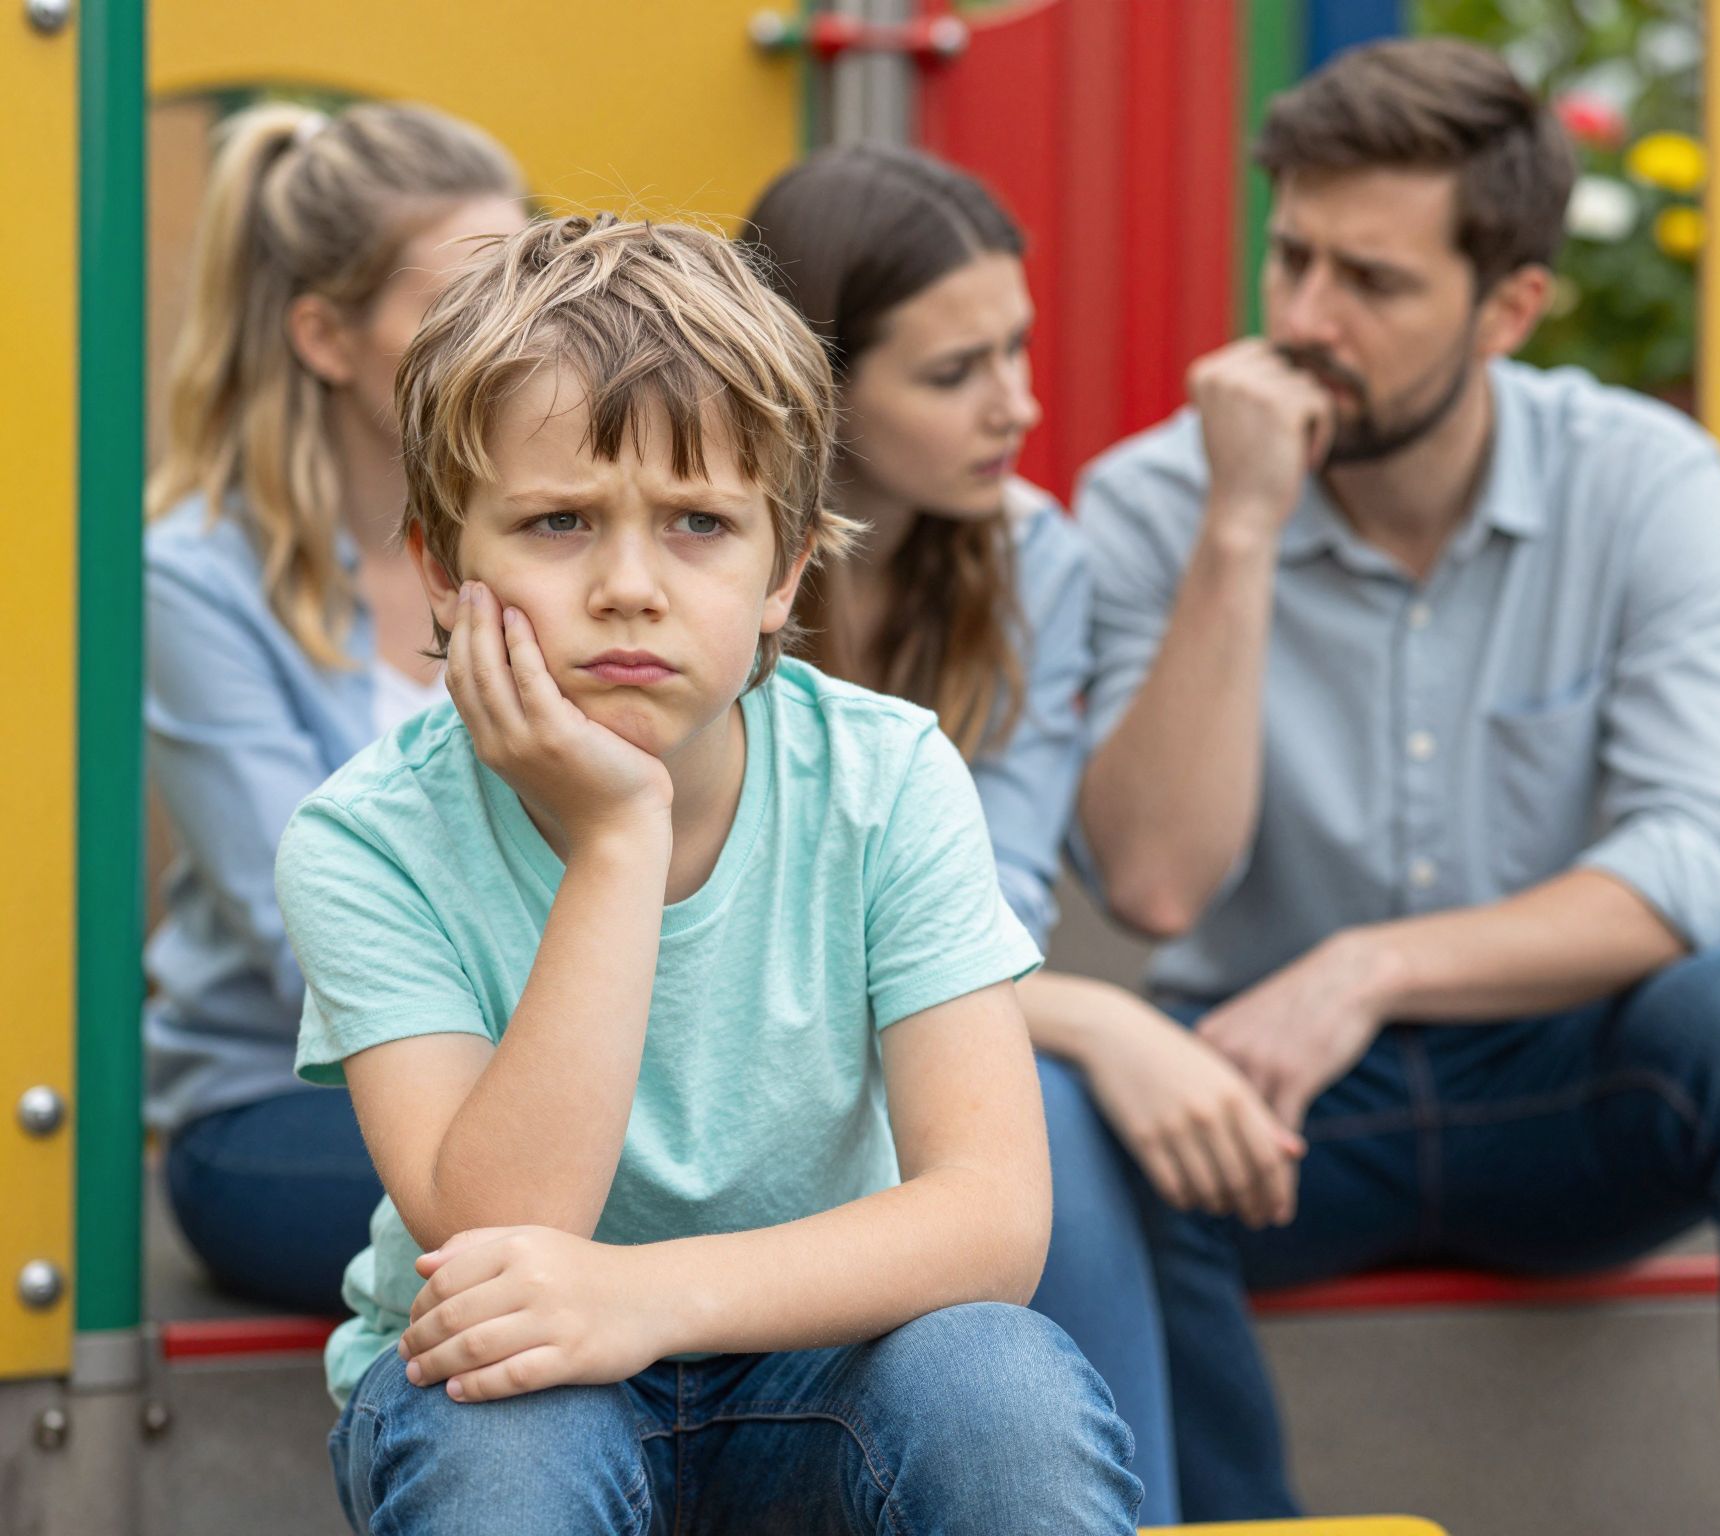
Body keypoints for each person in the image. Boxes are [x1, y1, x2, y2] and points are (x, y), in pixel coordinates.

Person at [1074, 38, 1720, 1535]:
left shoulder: (1642, 479)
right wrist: (1242, 534)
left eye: (1377, 283)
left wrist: (1373, 965)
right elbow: (1150, 884)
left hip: (1568, 1090)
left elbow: (1716, 854)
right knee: (1068, 1126)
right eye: (1295, 261)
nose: (1309, 321)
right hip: (1272, 1112)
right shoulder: (1160, 499)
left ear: (1511, 307)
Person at [276, 213, 1141, 1534]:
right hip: (513, 1384)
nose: (630, 585)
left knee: (998, 1384)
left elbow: (991, 1220)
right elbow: (505, 1225)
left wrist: (644, 1298)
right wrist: (618, 840)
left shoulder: (886, 776)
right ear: (444, 571)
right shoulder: (368, 839)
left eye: (697, 523)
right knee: (501, 1436)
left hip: (823, 1367)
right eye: (559, 521)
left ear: (786, 566)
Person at [746, 144, 1302, 1525]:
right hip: (709, 1063)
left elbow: (988, 913)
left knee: (1063, 1122)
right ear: (813, 402)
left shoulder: (1023, 554)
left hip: (915, 1059)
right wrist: (1106, 1023)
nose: (1021, 406)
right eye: (954, 375)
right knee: (1064, 1092)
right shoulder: (699, 567)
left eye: (1019, 349)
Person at [143, 100, 526, 1311]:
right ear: (324, 335)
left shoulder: (539, 536)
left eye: (524, 288)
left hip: (540, 1064)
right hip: (281, 1104)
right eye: (456, 308)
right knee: (580, 1217)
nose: (510, 339)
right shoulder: (199, 578)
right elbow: (301, 934)